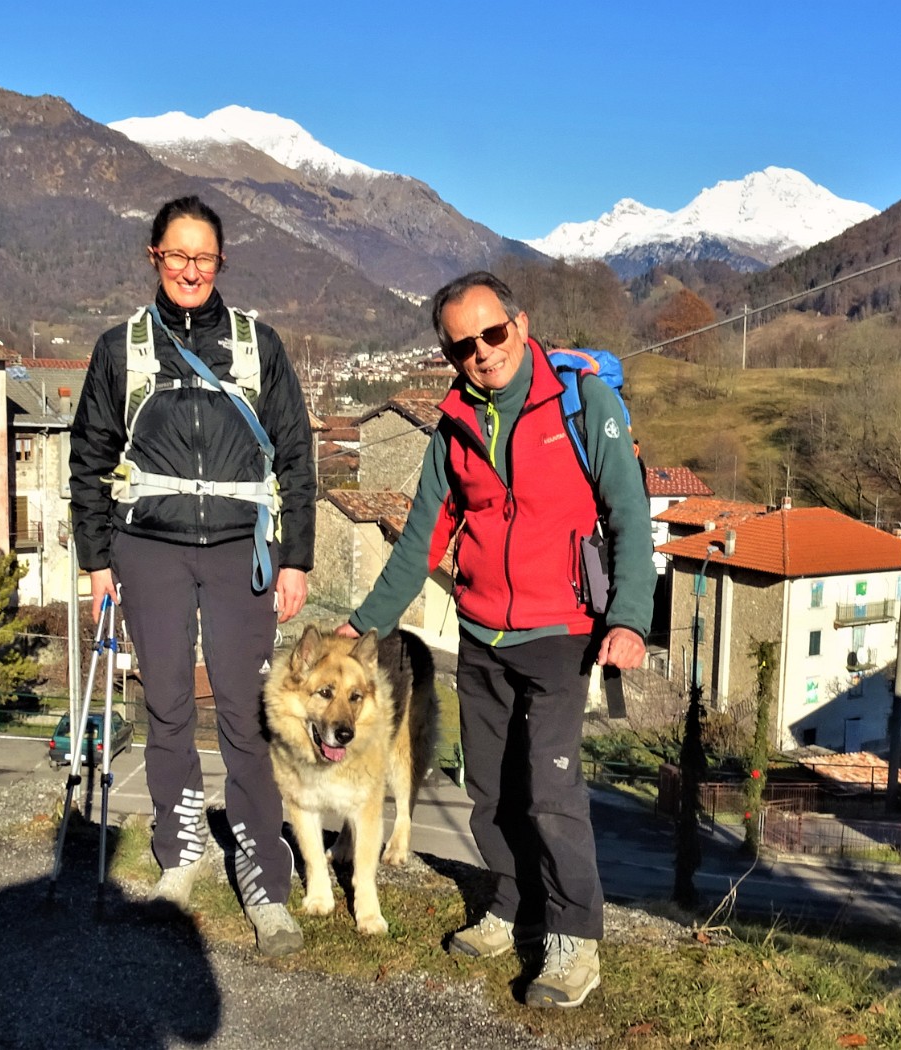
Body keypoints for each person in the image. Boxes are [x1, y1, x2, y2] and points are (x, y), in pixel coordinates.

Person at [338, 271, 654, 1007]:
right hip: (482, 632)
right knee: (487, 790)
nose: (481, 353)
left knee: (549, 791)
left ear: (521, 322)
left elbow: (628, 516)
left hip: (560, 632)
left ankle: (574, 941)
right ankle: (510, 905)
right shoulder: (453, 428)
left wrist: (630, 618)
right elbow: (422, 539)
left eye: (493, 333)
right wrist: (364, 625)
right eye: (462, 345)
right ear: (449, 355)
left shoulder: (581, 403)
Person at [69, 195, 315, 957]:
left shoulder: (258, 346)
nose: (189, 270)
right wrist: (96, 560)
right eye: (176, 255)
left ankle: (263, 877)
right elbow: (88, 455)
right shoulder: (120, 349)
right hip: (149, 548)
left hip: (243, 546)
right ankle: (181, 854)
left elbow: (297, 453)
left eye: (203, 257)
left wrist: (297, 556)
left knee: (246, 714)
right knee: (168, 706)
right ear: (153, 257)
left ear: (221, 264)